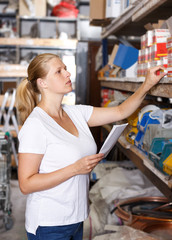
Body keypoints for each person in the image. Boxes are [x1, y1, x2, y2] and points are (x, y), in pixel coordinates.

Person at [16, 53, 166, 240]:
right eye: (59, 71)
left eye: (66, 68)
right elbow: (26, 183)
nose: (68, 74)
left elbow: (121, 111)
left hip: (77, 218)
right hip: (50, 223)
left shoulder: (76, 113)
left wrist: (148, 84)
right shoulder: (36, 125)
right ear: (42, 83)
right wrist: (75, 168)